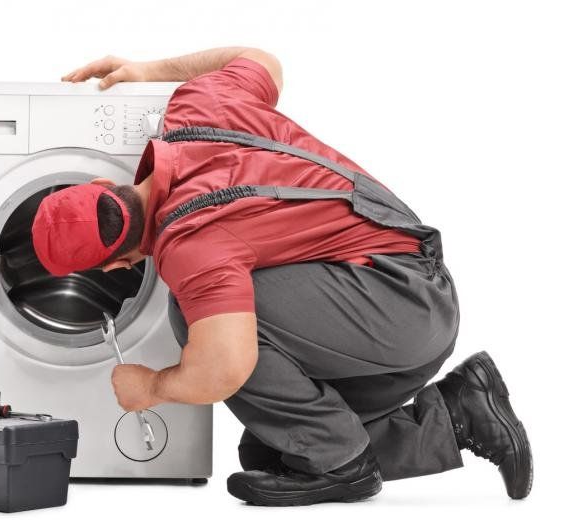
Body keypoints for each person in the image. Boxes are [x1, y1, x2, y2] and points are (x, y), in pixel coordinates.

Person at [32, 47, 532, 505]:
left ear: (116, 264)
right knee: (271, 451)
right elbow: (261, 59)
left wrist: (151, 388)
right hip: (404, 286)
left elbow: (223, 369)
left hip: (401, 307)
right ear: (104, 183)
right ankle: (462, 410)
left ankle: (342, 463)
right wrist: (151, 70)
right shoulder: (196, 107)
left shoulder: (188, 243)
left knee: (197, 320)